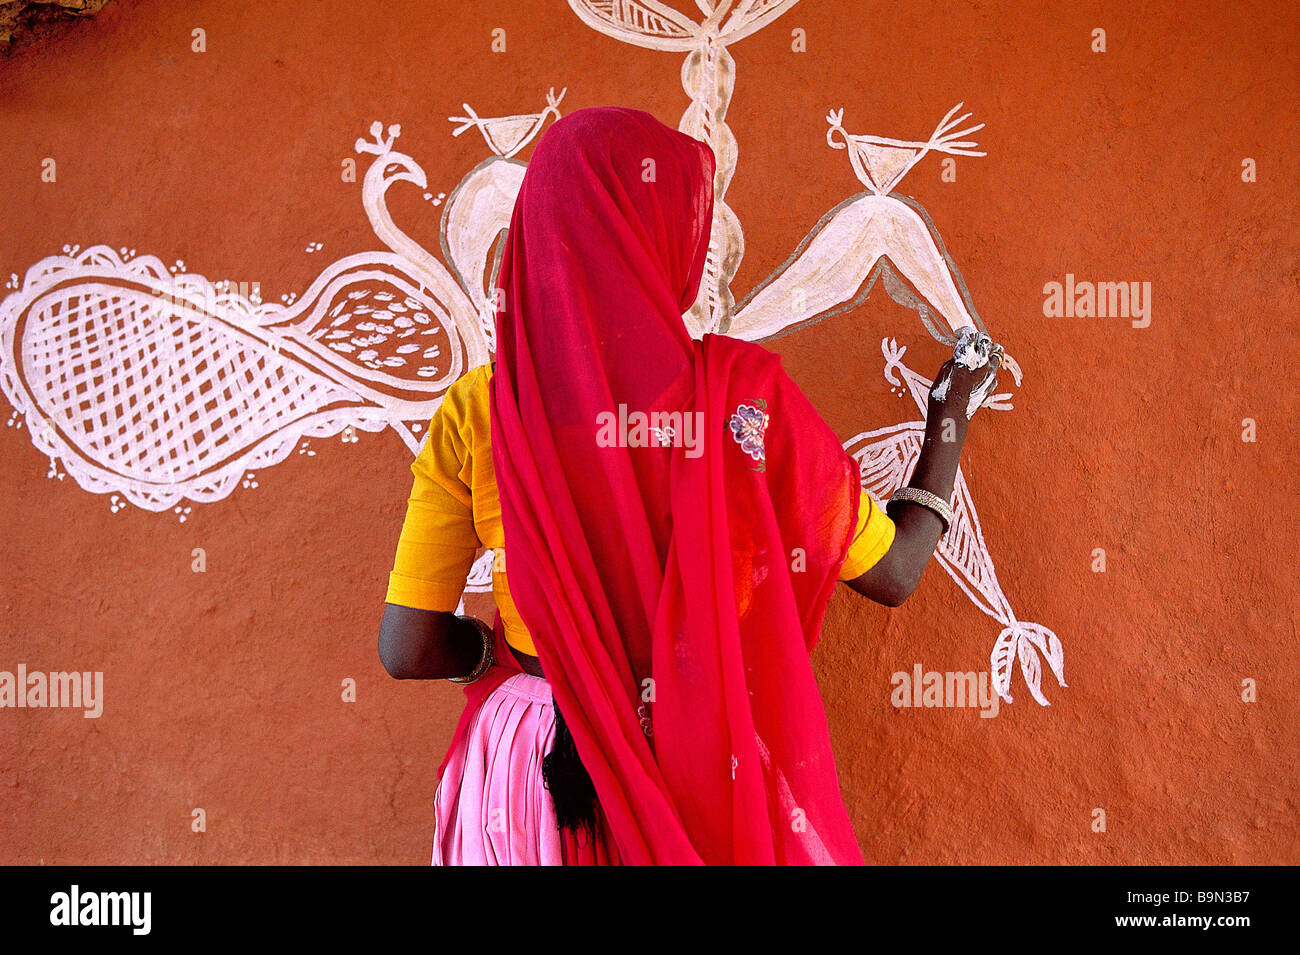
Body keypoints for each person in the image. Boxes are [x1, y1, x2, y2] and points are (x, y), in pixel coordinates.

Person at [378, 106, 1002, 865]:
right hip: (699, 764)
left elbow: (407, 646)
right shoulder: (743, 402)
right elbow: (897, 570)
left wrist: (489, 656)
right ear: (662, 239)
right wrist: (949, 412)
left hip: (528, 785)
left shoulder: (481, 411)